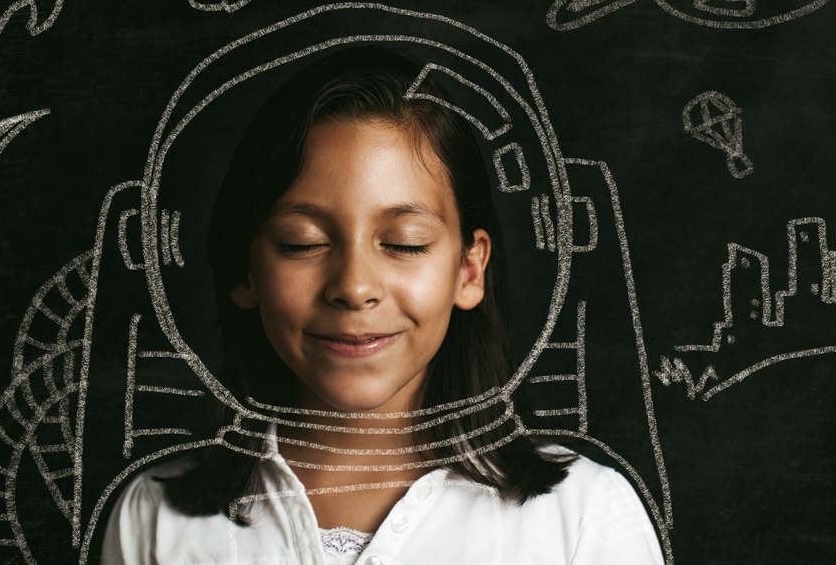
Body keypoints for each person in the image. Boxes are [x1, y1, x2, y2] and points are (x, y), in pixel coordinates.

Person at [101, 46, 663, 564]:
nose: (354, 286)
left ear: (469, 270)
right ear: (244, 271)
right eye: (302, 243)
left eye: (405, 244)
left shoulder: (584, 519)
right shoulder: (154, 520)